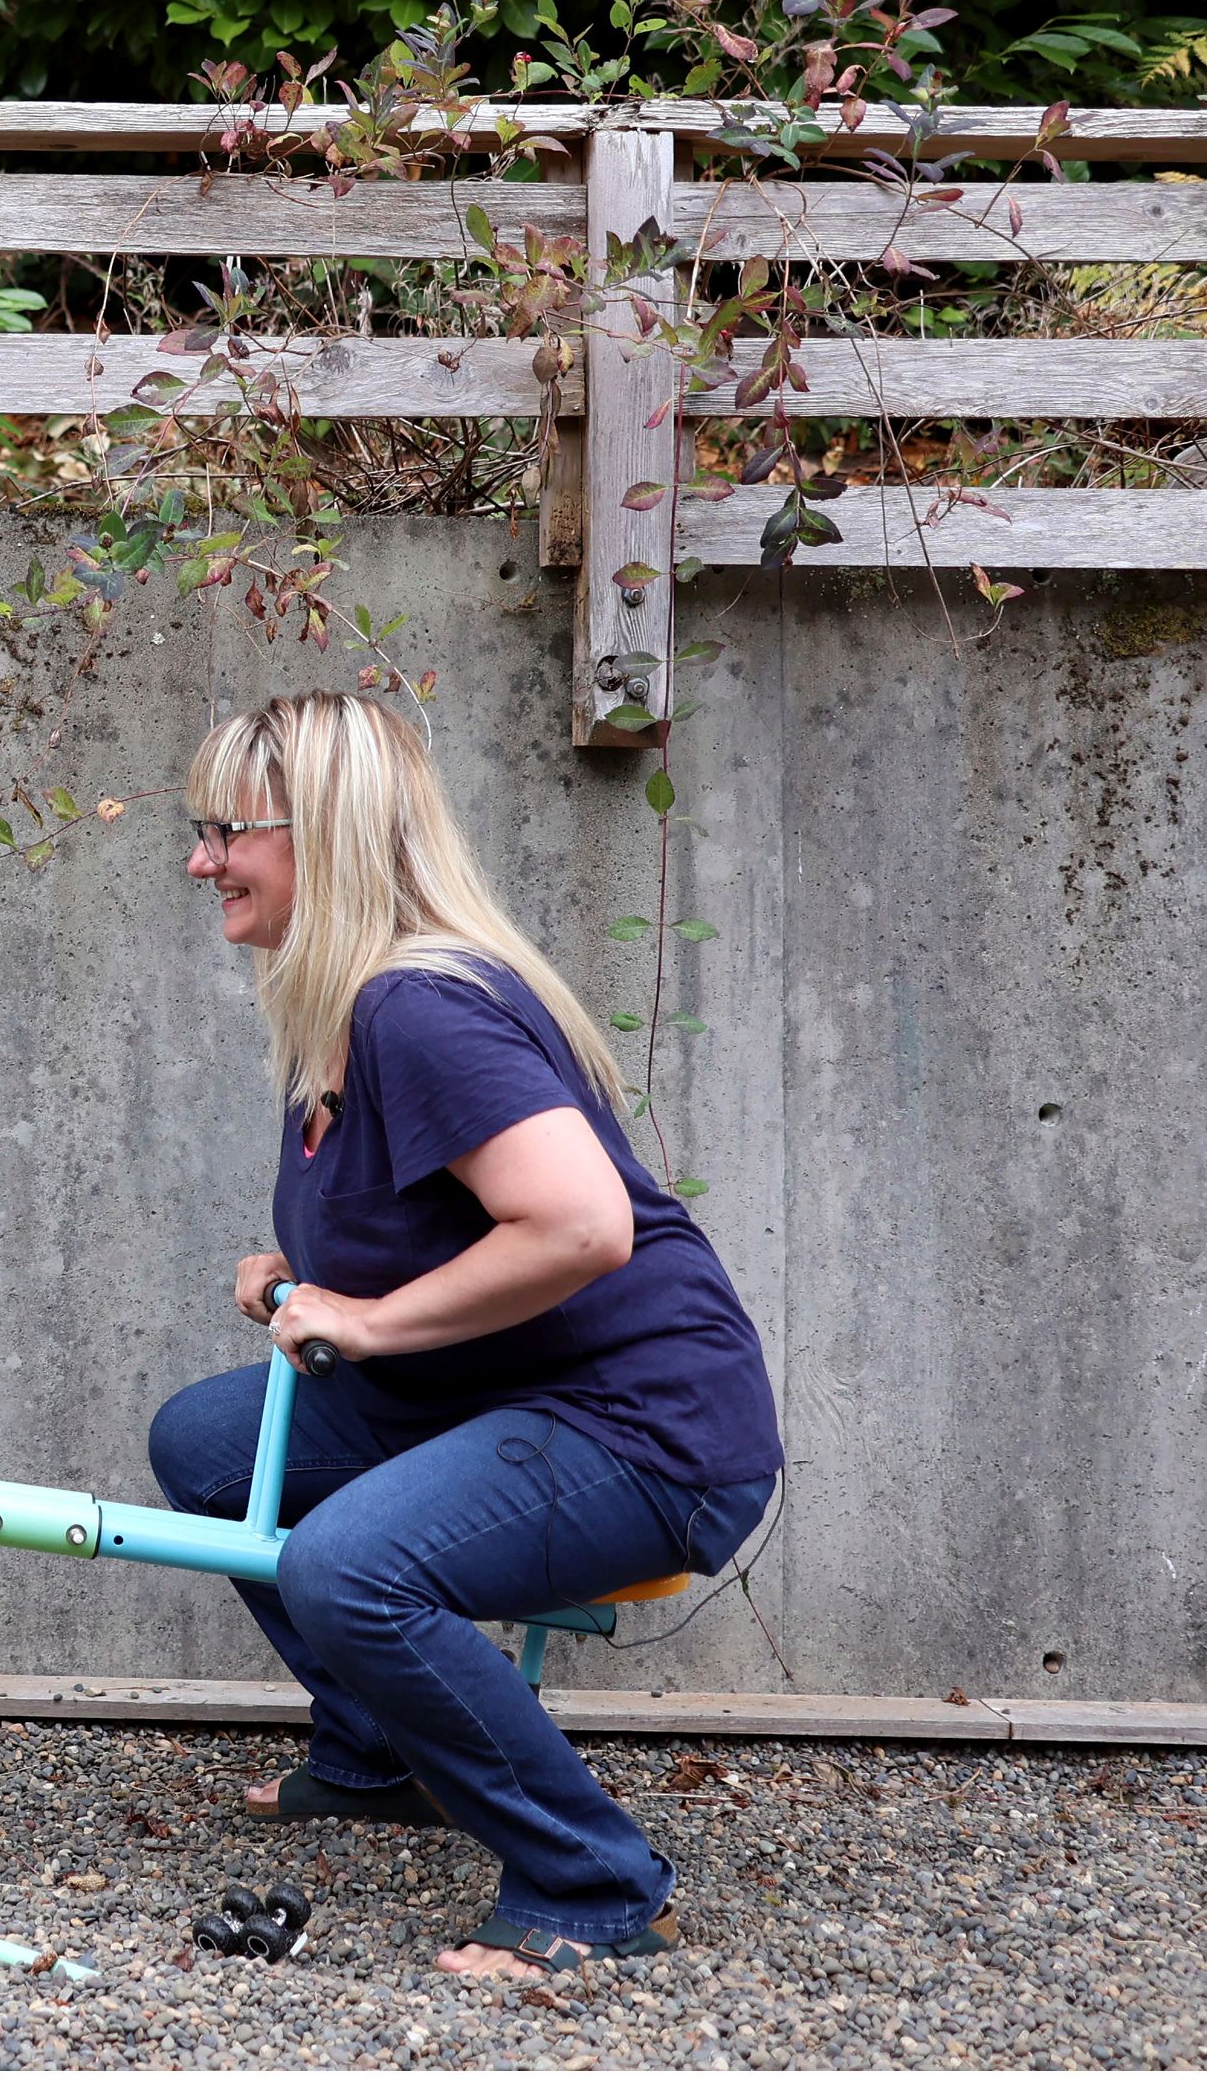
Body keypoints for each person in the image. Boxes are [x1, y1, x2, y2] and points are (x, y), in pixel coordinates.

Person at [145, 692, 780, 1977]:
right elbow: (433, 1225)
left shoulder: (416, 1007)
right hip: (502, 1388)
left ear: (321, 832)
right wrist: (297, 1279)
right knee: (207, 1449)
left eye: (226, 829)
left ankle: (594, 1881)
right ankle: (379, 1753)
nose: (200, 858)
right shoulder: (329, 1009)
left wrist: (369, 1320)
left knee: (348, 1567)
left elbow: (582, 1225)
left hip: (646, 1425)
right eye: (199, 829)